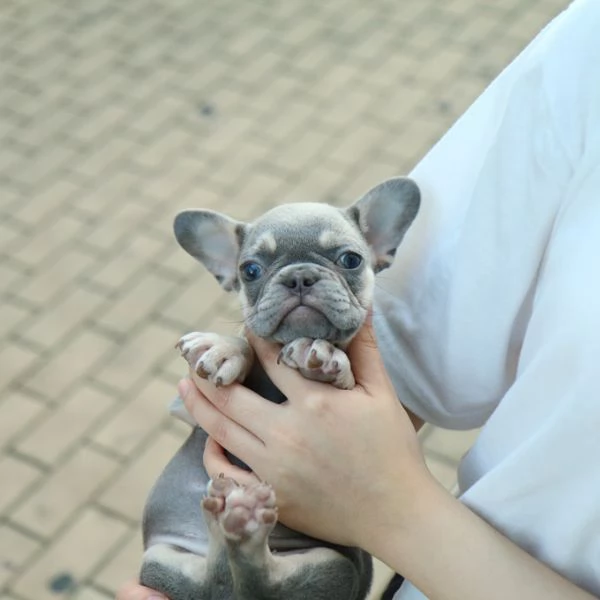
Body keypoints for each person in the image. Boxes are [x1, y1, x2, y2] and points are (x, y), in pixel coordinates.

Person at [118, 0, 600, 597]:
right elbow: (413, 340)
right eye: (255, 269)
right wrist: (235, 353)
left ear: (381, 247)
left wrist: (386, 504)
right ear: (225, 272)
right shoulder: (588, 54)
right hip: (190, 552)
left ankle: (240, 558)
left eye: (344, 261)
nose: (298, 284)